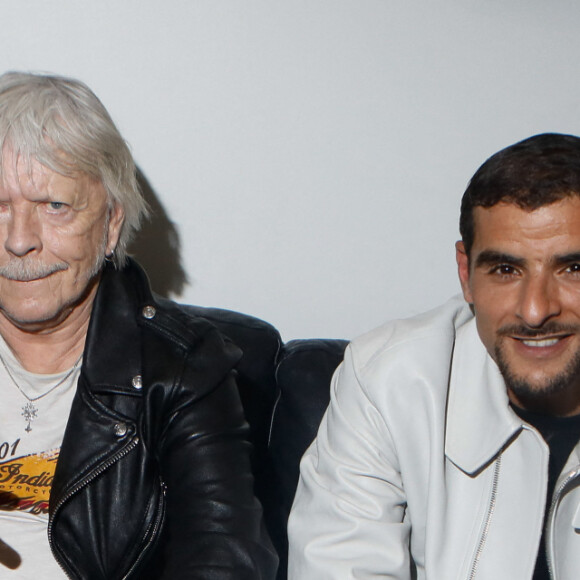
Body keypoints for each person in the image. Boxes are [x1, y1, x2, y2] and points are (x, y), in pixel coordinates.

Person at [0, 71, 277, 579]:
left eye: (54, 207)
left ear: (110, 225)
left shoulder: (183, 367)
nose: (19, 240)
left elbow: (224, 560)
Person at [288, 133, 580, 579]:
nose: (535, 309)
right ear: (466, 274)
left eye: (573, 268)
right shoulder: (390, 381)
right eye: (505, 269)